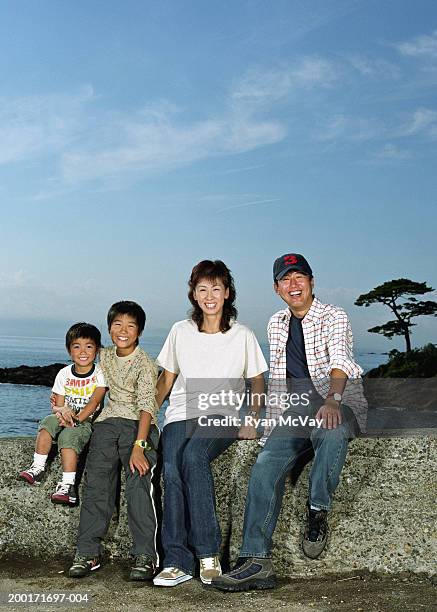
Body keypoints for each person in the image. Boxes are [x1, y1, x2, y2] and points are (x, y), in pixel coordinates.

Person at [212, 253, 367, 591]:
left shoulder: (334, 316)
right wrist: (268, 429)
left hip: (338, 399)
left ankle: (317, 510)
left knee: (332, 430)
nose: (293, 285)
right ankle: (257, 561)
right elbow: (279, 383)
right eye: (286, 279)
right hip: (296, 409)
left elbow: (340, 359)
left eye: (300, 278)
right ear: (276, 288)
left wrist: (333, 400)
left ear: (312, 282)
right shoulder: (276, 323)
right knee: (265, 464)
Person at [153, 260, 268, 587]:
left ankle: (207, 553)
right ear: (193, 294)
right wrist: (144, 418)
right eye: (202, 289)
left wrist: (252, 417)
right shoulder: (180, 331)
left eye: (216, 288)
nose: (209, 295)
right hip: (180, 414)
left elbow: (257, 381)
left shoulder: (242, 334)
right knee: (172, 467)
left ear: (227, 292)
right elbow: (166, 381)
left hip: (223, 416)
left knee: (193, 457)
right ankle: (176, 560)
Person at [67, 301, 159, 582]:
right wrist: (61, 402)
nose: (123, 330)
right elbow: (79, 374)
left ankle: (146, 555)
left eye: (130, 326)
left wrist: (139, 446)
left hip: (139, 428)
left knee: (138, 485)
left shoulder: (145, 362)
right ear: (109, 328)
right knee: (96, 485)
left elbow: (147, 406)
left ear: (139, 331)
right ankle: (88, 552)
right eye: (117, 324)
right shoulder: (103, 356)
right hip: (107, 425)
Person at [19, 322, 106, 505]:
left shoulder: (99, 373)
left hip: (85, 420)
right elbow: (58, 405)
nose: (83, 352)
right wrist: (61, 414)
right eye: (77, 346)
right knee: (46, 423)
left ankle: (67, 486)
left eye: (89, 346)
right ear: (69, 351)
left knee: (68, 438)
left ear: (97, 350)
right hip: (64, 416)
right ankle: (37, 468)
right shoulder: (64, 373)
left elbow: (95, 401)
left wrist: (76, 420)